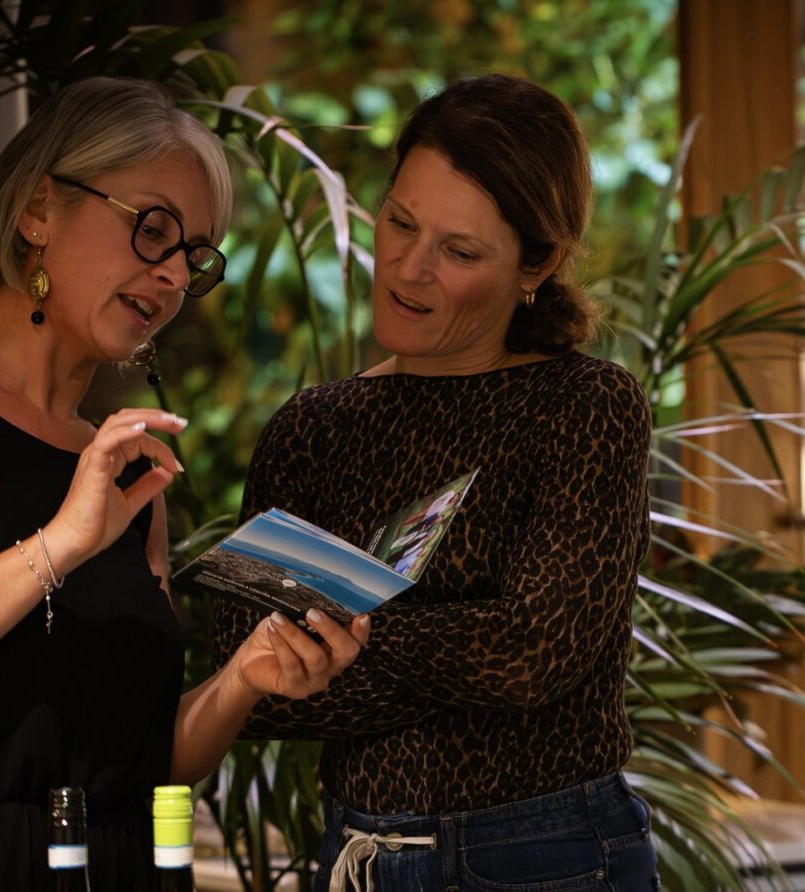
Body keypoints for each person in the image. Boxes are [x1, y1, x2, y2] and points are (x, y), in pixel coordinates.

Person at [0, 77, 368, 892]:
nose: (173, 275)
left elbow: (140, 760)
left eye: (193, 256)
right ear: (38, 211)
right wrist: (61, 543)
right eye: (153, 231)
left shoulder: (125, 467)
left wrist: (245, 676)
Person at [213, 73, 658, 891]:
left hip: (547, 857)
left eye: (459, 252)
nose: (408, 269)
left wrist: (336, 629)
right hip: (358, 856)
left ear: (537, 263)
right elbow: (253, 682)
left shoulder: (586, 405)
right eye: (400, 222)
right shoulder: (313, 429)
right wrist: (465, 641)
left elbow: (533, 654)